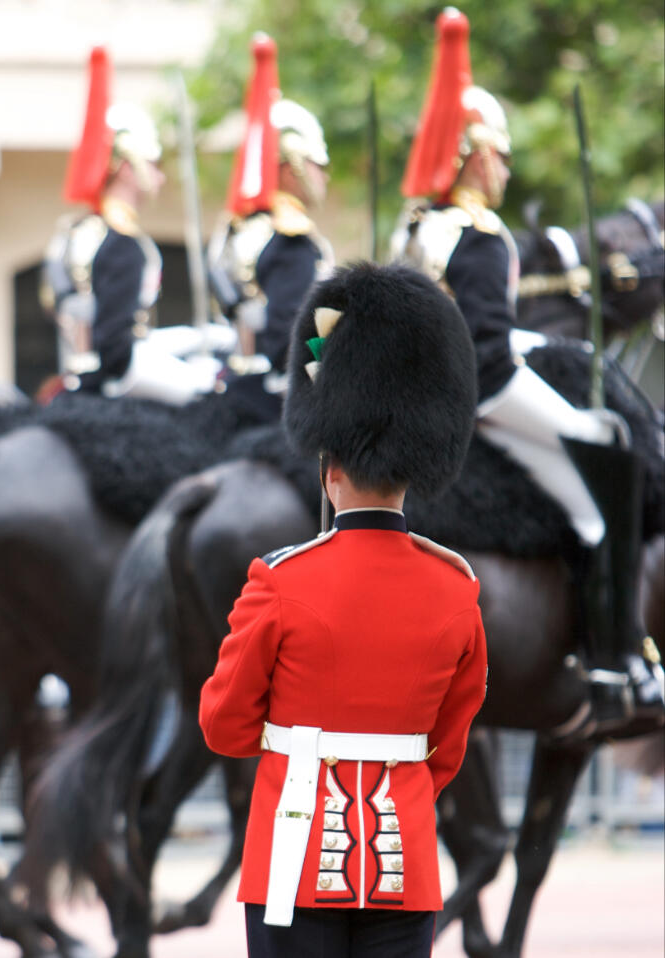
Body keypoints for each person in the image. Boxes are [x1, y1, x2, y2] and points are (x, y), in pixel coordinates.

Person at [199, 262, 487, 956]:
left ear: (330, 472)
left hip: (292, 860)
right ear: (416, 470)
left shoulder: (278, 580)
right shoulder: (456, 588)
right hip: (406, 862)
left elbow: (223, 724)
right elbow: (448, 746)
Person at [390, 8, 663, 731]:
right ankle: (612, 663)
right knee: (602, 474)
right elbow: (486, 358)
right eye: (499, 154)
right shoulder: (480, 236)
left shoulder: (417, 227)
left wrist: (540, 351)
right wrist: (573, 417)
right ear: (475, 155)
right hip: (480, 404)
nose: (505, 167)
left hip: (425, 403)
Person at [41, 47, 229, 404]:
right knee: (212, 397)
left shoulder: (72, 233)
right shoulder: (122, 243)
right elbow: (117, 346)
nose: (159, 177)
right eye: (153, 164)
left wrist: (192, 336)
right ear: (128, 168)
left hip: (77, 376)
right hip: (116, 381)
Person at [208, 33, 333, 424]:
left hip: (233, 384)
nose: (324, 175)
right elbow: (291, 335)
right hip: (275, 399)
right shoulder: (290, 237)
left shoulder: (238, 228)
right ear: (290, 164)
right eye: (317, 163)